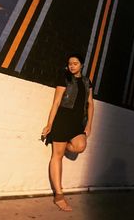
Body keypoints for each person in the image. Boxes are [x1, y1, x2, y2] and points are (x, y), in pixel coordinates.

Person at [41, 54, 94, 212]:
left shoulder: (86, 81)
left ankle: (61, 147)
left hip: (77, 124)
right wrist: (50, 124)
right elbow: (56, 102)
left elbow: (90, 104)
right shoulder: (64, 78)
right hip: (62, 120)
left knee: (80, 146)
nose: (72, 66)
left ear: (82, 65)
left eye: (75, 63)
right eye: (70, 64)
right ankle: (59, 195)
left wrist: (89, 125)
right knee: (56, 157)